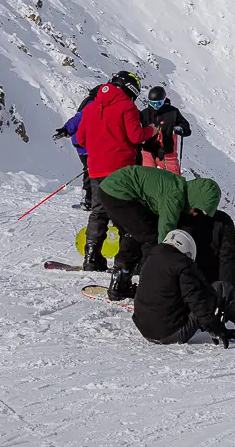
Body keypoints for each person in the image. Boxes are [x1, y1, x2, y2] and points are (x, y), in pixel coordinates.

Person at [96, 165, 221, 300]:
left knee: (133, 235)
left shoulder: (177, 186)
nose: (194, 213)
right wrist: (166, 264)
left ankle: (120, 285)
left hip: (111, 190)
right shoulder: (174, 197)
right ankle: (150, 288)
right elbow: (165, 232)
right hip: (119, 193)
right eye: (197, 209)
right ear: (195, 197)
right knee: (150, 238)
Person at [74, 71, 156, 273]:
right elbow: (136, 136)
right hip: (120, 170)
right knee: (125, 214)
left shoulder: (91, 107)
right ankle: (126, 262)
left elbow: (81, 139)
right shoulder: (127, 107)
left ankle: (92, 257)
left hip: (95, 169)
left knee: (98, 211)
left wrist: (98, 145)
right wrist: (152, 130)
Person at [131, 229, 235, 346]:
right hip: (170, 333)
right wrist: (213, 325)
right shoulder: (182, 265)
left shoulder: (151, 258)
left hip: (145, 329)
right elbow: (196, 300)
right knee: (220, 288)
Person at [51, 83, 103, 211]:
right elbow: (78, 118)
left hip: (82, 145)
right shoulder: (93, 105)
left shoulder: (89, 103)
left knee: (90, 171)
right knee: (94, 172)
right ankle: (93, 201)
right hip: (87, 145)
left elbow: (77, 118)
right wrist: (66, 129)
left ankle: (89, 200)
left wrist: (66, 130)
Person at [139, 85, 191, 174]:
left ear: (164, 100)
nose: (155, 106)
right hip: (148, 150)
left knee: (174, 177)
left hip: (168, 151)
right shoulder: (144, 114)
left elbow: (186, 128)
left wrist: (181, 129)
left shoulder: (173, 112)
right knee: (147, 176)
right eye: (152, 103)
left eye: (158, 103)